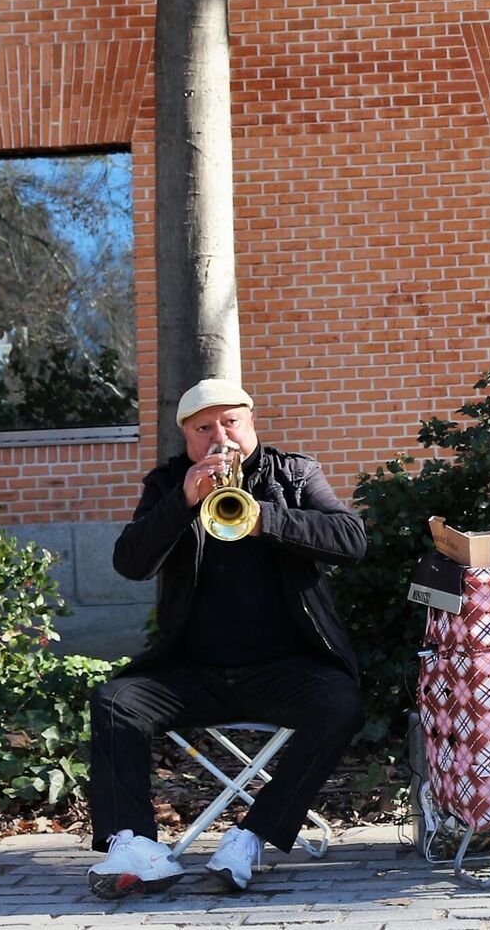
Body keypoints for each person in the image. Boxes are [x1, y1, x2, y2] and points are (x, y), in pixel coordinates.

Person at [86, 378, 367, 899]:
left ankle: (253, 836)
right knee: (114, 701)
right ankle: (134, 846)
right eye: (204, 427)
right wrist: (181, 502)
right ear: (187, 438)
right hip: (196, 671)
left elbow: (351, 539)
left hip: (285, 667)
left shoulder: (295, 473)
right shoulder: (168, 481)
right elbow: (129, 562)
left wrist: (267, 519)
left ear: (251, 422)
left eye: (230, 422)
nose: (221, 436)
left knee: (342, 702)